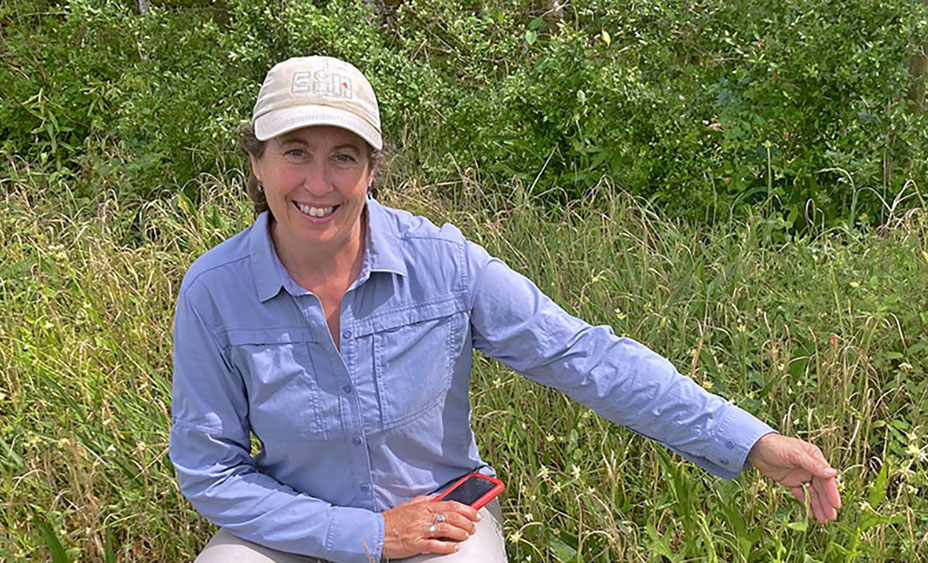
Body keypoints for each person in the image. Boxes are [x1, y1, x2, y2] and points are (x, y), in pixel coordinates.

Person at [169, 56, 841, 563]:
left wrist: (748, 440)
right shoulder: (214, 291)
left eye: (342, 156)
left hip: (443, 521)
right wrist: (367, 534)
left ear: (372, 169)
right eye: (295, 153)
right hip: (293, 528)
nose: (319, 183)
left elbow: (584, 356)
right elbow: (210, 470)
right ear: (255, 162)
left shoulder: (444, 264)